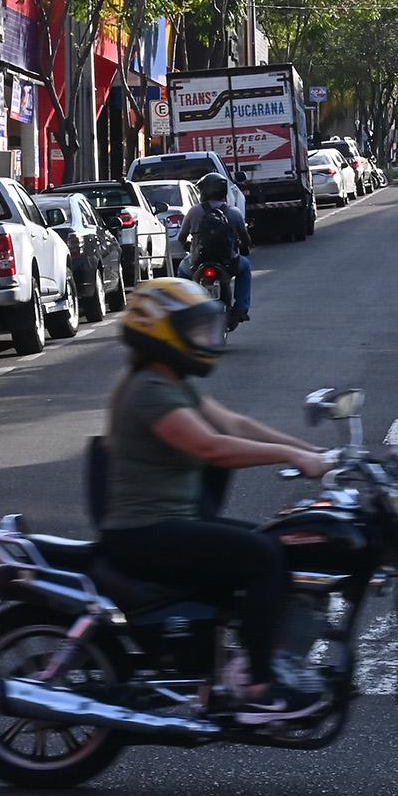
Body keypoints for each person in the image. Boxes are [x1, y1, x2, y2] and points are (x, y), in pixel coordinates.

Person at [100, 279, 331, 723]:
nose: (207, 340)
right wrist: (291, 456)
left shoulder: (172, 382)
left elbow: (235, 424)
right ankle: (260, 689)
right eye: (196, 330)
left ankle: (242, 660)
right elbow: (213, 447)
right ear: (163, 333)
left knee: (280, 542)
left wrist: (313, 452)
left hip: (169, 523)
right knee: (263, 556)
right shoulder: (150, 391)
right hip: (144, 532)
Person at [176, 172, 253, 323]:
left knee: (182, 272)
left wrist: (188, 246)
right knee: (245, 268)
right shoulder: (234, 212)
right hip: (228, 262)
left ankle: (184, 309)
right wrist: (244, 247)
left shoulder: (194, 211)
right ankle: (241, 309)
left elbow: (181, 237)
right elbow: (246, 238)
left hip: (197, 262)